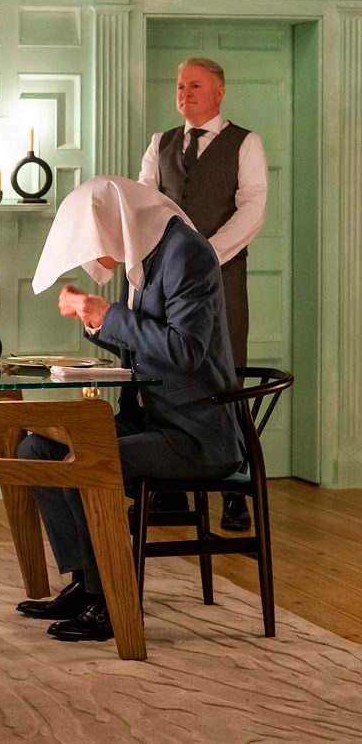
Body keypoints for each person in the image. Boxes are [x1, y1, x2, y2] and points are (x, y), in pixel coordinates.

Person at [15, 176, 242, 642]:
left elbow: (185, 351)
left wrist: (111, 316)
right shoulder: (143, 255)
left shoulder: (187, 254)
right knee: (35, 449)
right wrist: (95, 321)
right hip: (153, 419)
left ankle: (109, 602)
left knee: (85, 464)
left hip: (196, 433)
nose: (93, 257)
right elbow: (141, 346)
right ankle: (83, 583)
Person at [137, 56, 266, 531]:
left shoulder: (244, 143)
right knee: (160, 370)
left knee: (224, 377)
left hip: (222, 279)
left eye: (194, 85)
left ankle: (234, 492)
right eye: (180, 86)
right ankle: (169, 489)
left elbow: (252, 209)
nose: (185, 93)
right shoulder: (161, 143)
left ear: (219, 92)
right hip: (163, 284)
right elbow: (141, 205)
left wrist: (203, 256)